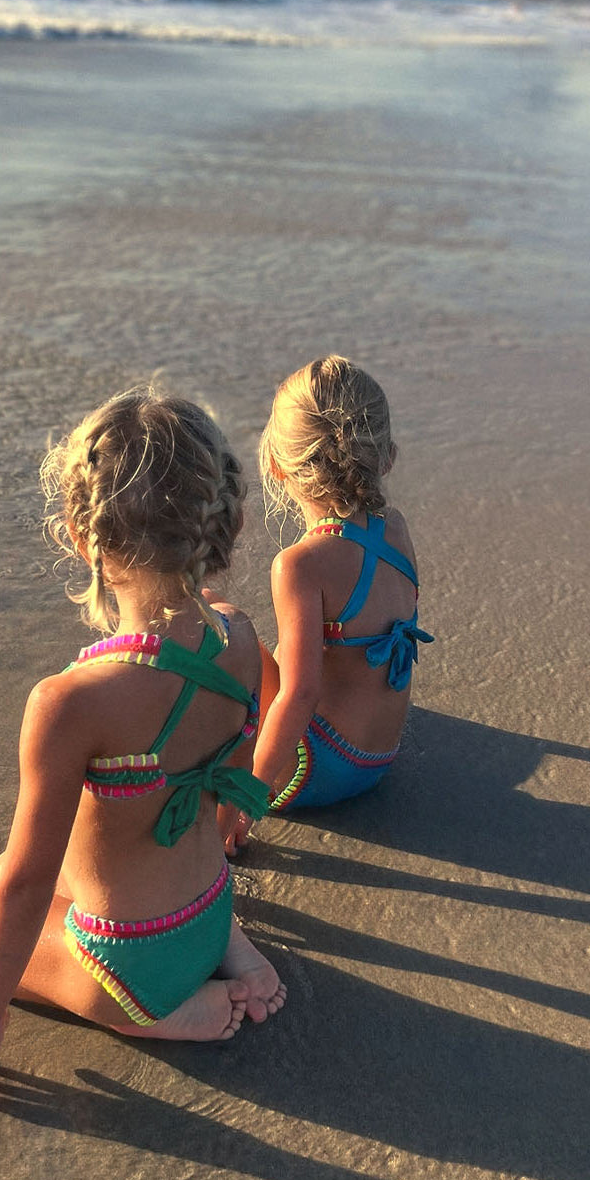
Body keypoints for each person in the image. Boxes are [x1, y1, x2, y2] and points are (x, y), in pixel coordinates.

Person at [0, 389, 286, 1102]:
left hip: (129, 966)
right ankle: (227, 950)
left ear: (77, 531)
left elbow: (29, 886)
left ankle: (155, 1015)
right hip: (210, 908)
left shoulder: (70, 701)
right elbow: (232, 778)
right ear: (224, 517)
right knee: (20, 866)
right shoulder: (239, 637)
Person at [224, 355, 432, 848]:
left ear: (275, 465)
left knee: (222, 620)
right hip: (379, 758)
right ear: (387, 457)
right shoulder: (395, 528)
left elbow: (300, 696)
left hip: (314, 772)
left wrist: (243, 806)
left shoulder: (300, 564)